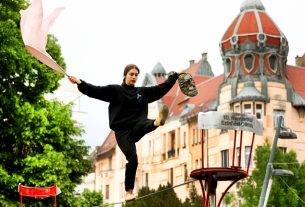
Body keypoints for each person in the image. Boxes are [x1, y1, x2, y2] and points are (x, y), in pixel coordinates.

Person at [68, 64, 179, 201]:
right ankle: (129, 192)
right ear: (125, 75)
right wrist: (80, 83)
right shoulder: (115, 91)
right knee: (133, 159)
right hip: (122, 132)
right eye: (131, 74)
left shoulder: (142, 92)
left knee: (143, 123)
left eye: (136, 75)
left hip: (138, 126)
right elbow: (96, 91)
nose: (134, 77)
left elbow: (161, 89)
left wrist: (174, 77)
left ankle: (156, 122)